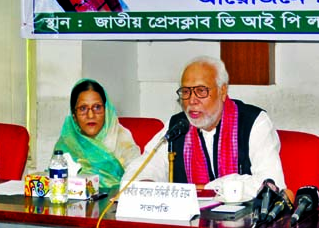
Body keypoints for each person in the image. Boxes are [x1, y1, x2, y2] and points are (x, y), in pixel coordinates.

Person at [120, 56, 286, 197]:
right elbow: (146, 166)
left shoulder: (254, 122)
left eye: (201, 91)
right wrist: (145, 184)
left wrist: (210, 188)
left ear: (222, 91)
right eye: (186, 92)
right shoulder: (177, 126)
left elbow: (271, 184)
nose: (192, 100)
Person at [53, 78, 140, 189]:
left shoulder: (121, 139)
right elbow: (55, 184)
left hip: (116, 203)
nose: (90, 115)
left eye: (97, 107)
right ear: (74, 116)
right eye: (83, 108)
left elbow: (137, 179)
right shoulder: (66, 143)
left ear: (106, 111)